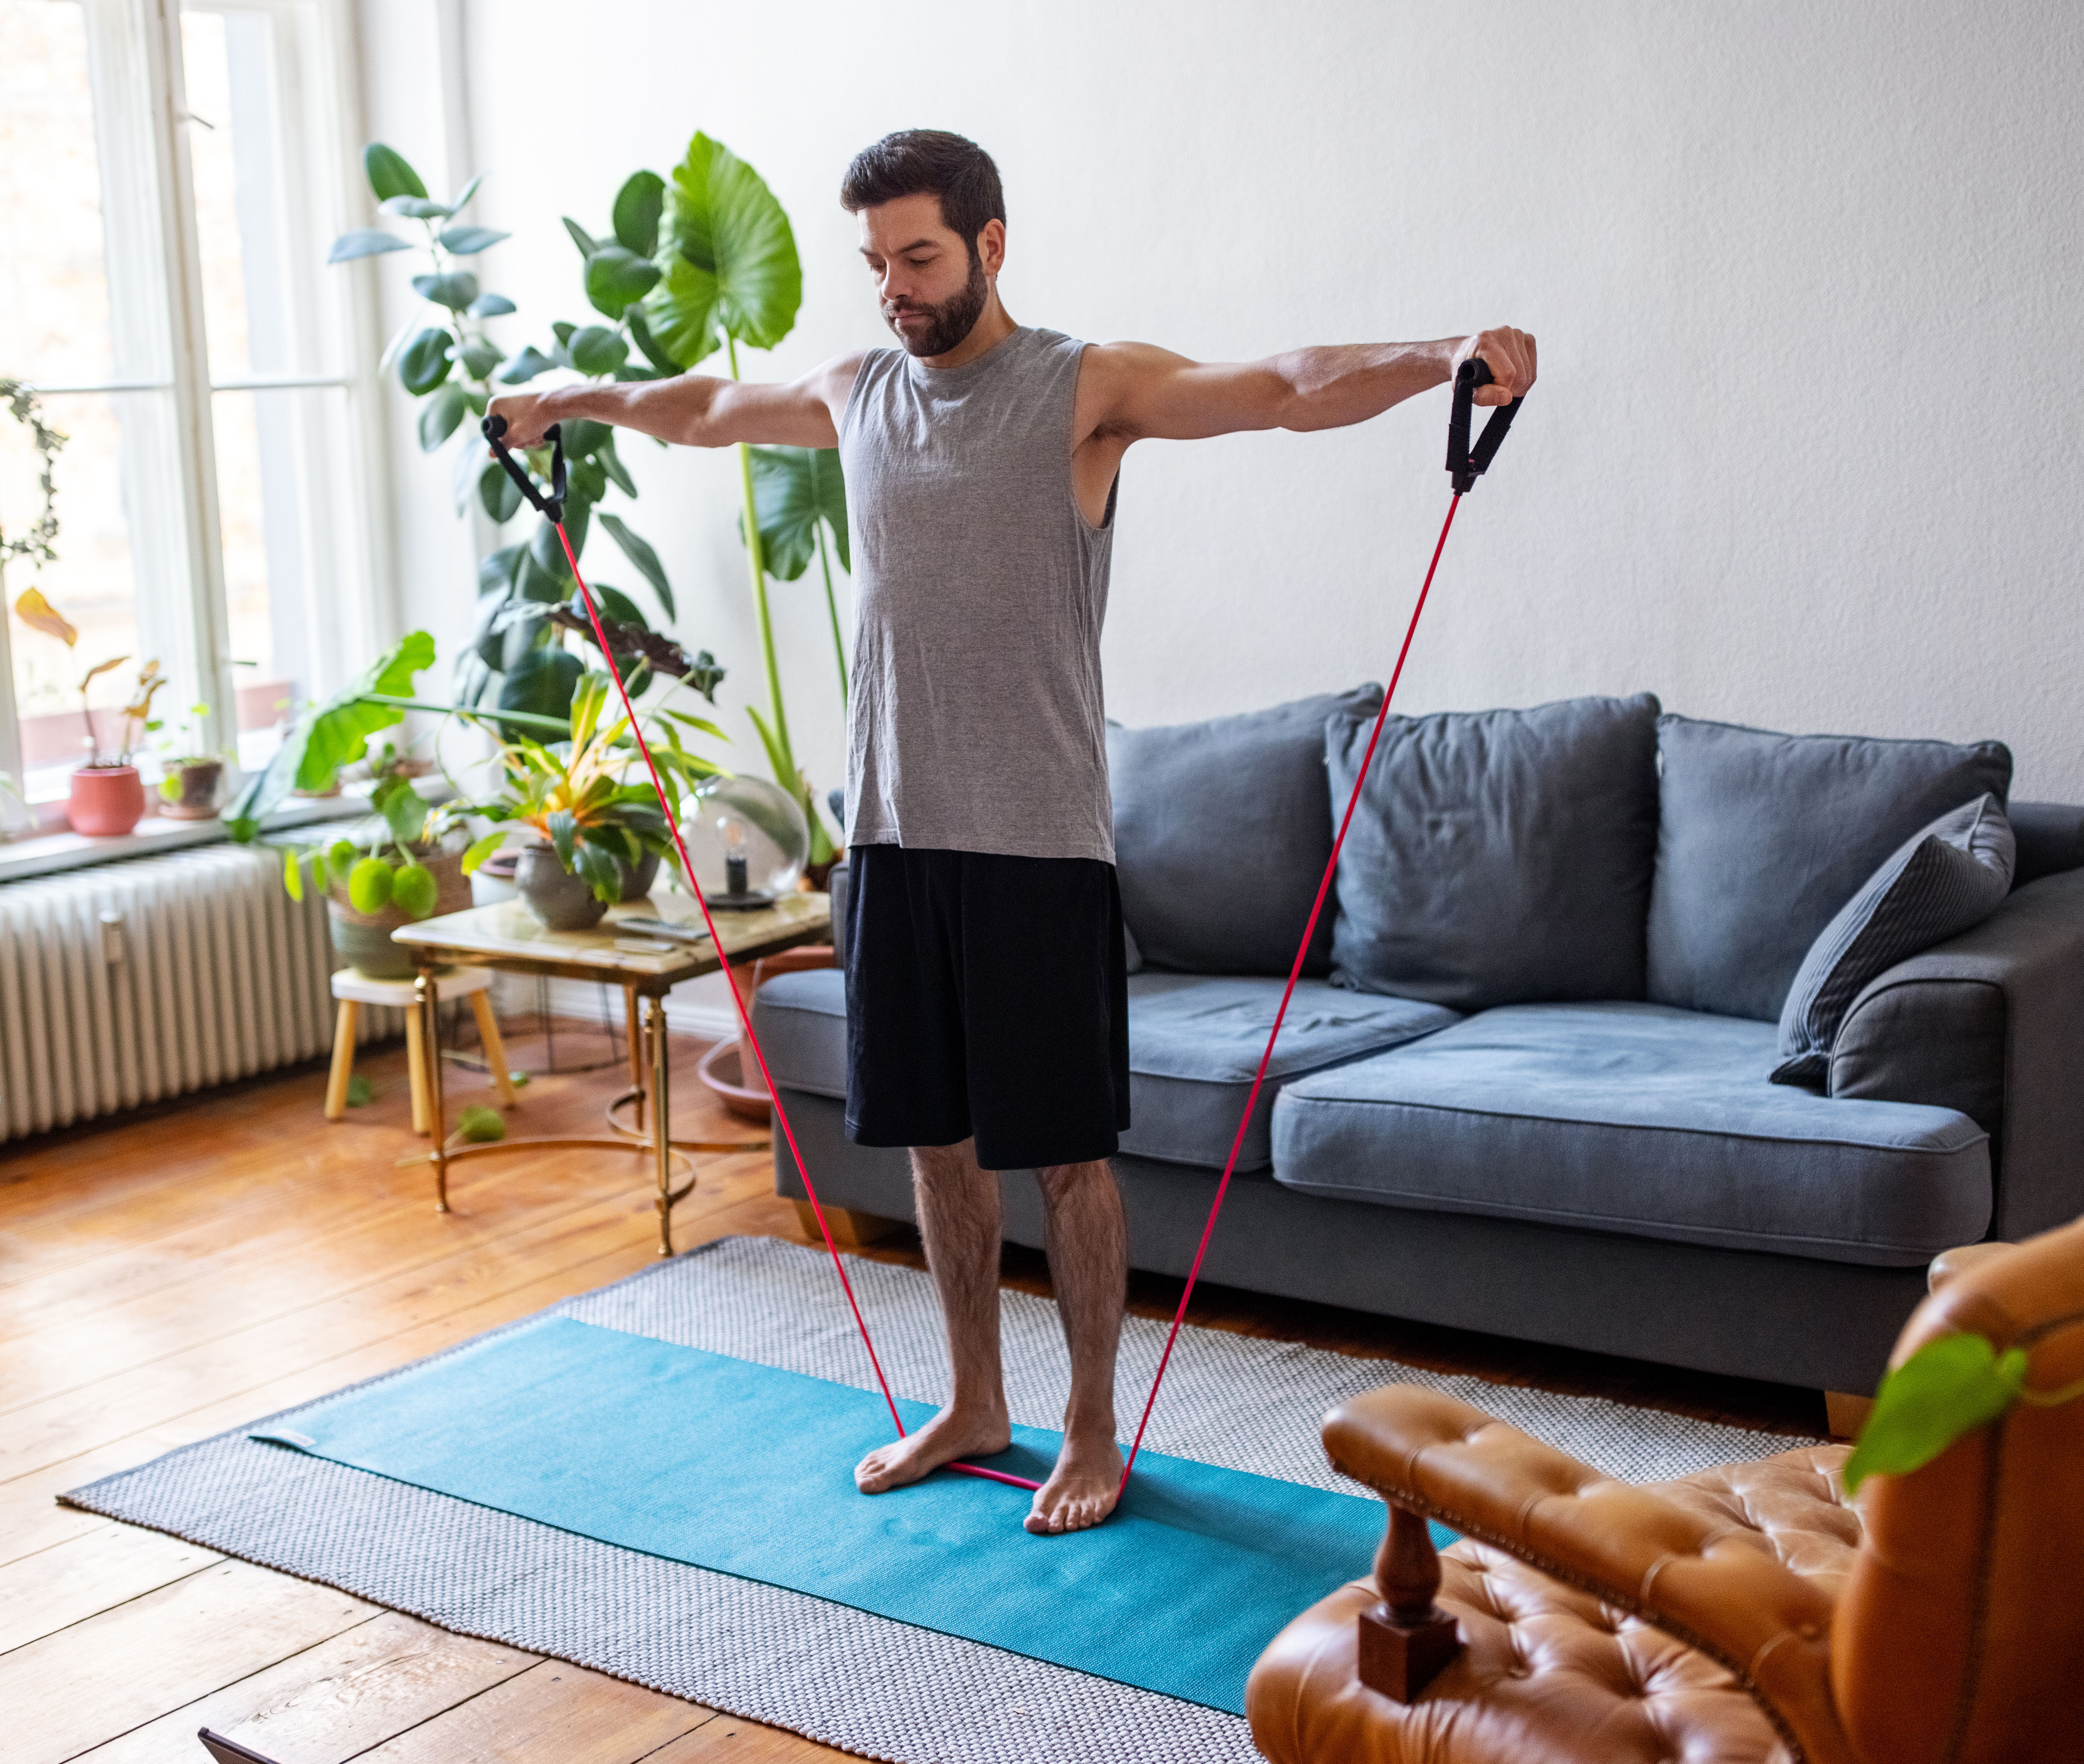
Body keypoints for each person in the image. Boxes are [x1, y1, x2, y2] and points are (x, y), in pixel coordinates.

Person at [487, 129, 1534, 1535]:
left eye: (918, 257)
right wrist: (569, 396)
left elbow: (1283, 388)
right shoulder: (857, 391)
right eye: (874, 264)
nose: (893, 289)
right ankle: (975, 1399)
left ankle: (1092, 1424)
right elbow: (704, 403)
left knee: (1064, 1158)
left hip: (1038, 846)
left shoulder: (1080, 388)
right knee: (932, 1146)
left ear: (990, 243)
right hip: (892, 841)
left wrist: (1441, 354)